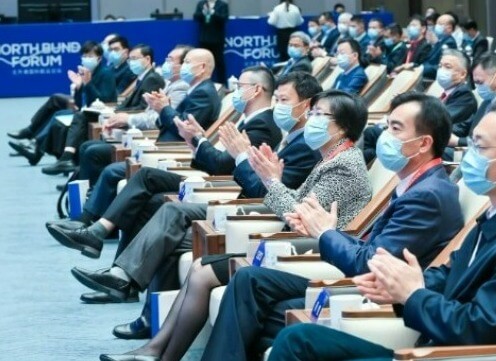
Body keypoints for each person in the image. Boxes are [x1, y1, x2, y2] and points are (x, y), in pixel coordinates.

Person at [268, 99, 496, 361]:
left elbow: (478, 330)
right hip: (431, 344)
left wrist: (412, 294)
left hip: (447, 355)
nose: (469, 154)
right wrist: (399, 284)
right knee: (298, 339)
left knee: (295, 341)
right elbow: (452, 275)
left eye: (480, 146)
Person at [98, 89, 374, 361]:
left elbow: (298, 215)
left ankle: (158, 353)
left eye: (318, 114)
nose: (311, 119)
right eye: (311, 112)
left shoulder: (344, 165)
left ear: (341, 128)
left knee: (202, 271)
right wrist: (273, 180)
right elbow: (299, 206)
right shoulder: (331, 158)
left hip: (309, 250)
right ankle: (156, 351)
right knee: (198, 266)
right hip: (295, 241)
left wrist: (271, 181)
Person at [194, 92, 464, 361]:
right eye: (387, 125)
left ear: (423, 143)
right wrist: (324, 229)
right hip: (354, 271)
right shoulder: (414, 183)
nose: (384, 135)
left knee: (266, 310)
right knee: (249, 280)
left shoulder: (427, 194)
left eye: (395, 128)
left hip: (374, 291)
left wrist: (325, 232)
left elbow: (372, 263)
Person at [71, 72, 322, 327]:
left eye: (283, 99)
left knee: (168, 213)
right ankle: (133, 294)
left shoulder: (295, 140)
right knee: (162, 211)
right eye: (276, 98)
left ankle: (127, 285)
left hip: (254, 214)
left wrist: (241, 158)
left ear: (307, 106)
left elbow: (262, 189)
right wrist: (200, 142)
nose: (276, 105)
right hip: (240, 199)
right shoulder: (290, 137)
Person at [46, 65, 282, 259]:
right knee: (145, 185)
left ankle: (99, 234)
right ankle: (110, 255)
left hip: (222, 186)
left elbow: (223, 166)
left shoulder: (261, 124)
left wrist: (198, 141)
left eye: (240, 87)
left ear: (256, 89)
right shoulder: (245, 119)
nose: (236, 92)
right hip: (206, 173)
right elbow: (218, 158)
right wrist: (197, 139)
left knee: (146, 180)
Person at [54, 48, 220, 231]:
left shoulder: (203, 93)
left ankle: (90, 222)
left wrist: (163, 109)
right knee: (98, 155)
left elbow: (184, 130)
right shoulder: (194, 90)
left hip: (175, 155)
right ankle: (87, 218)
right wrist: (161, 110)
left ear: (202, 67)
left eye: (186, 62)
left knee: (108, 167)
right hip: (163, 150)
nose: (182, 67)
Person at [75, 45, 193, 187]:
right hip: (146, 133)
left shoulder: (179, 87)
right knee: (87, 145)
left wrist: (127, 119)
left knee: (94, 152)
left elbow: (159, 119)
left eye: (171, 60)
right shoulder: (169, 83)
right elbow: (149, 112)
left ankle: (88, 195)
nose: (166, 64)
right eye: (166, 59)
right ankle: (82, 189)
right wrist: (121, 116)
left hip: (157, 141)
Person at [41, 44, 165, 176]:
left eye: (135, 58)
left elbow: (141, 108)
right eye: (130, 59)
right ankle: (73, 170)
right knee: (76, 119)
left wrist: (116, 113)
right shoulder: (142, 78)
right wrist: (80, 86)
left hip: (133, 124)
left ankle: (66, 158)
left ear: (147, 59)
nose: (131, 62)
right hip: (118, 113)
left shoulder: (151, 78)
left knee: (81, 118)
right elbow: (82, 102)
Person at [8, 40, 117, 165]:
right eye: (84, 56)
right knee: (59, 115)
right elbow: (79, 103)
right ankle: (40, 151)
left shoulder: (105, 73)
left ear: (99, 59)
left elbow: (104, 100)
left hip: (101, 114)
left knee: (63, 117)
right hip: (86, 110)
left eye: (90, 56)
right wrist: (78, 87)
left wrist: (88, 83)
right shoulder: (87, 72)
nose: (87, 59)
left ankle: (44, 153)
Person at [449, 53, 496, 149]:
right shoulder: (489, 99)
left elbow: (494, 142)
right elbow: (467, 125)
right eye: (475, 82)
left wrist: (458, 141)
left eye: (480, 82)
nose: (477, 87)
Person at [434, 50, 478, 125]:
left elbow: (438, 121)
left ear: (462, 74)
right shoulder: (448, 93)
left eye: (447, 67)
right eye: (440, 66)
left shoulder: (465, 96)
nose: (441, 70)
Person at [193, 0, 229, 83]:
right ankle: (202, 83)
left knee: (220, 63)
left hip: (217, 39)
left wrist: (213, 13)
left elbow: (224, 19)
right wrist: (203, 13)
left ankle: (222, 84)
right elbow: (195, 17)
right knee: (202, 63)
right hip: (204, 39)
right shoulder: (201, 4)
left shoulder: (222, 5)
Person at [421, 14, 458, 79]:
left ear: (449, 28)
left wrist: (422, 69)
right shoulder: (440, 41)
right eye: (437, 23)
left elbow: (443, 66)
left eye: (440, 24)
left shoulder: (449, 43)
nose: (437, 26)